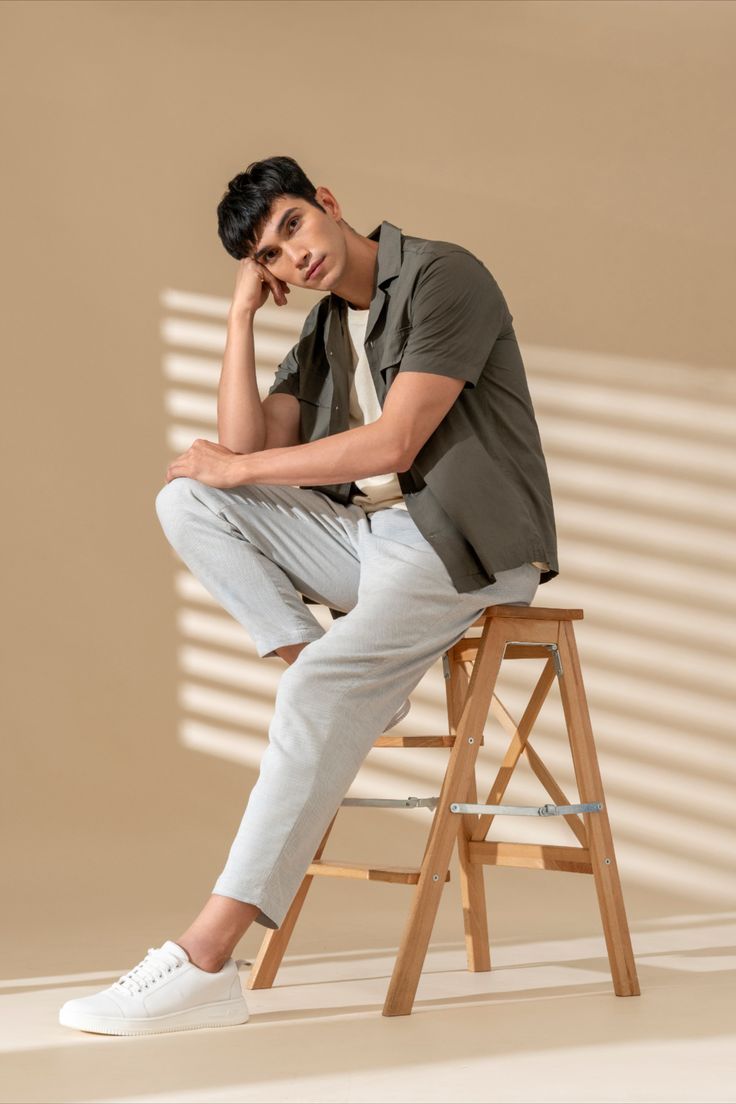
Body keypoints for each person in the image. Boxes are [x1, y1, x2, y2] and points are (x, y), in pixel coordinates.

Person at [59, 155, 558, 1036]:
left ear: (327, 203)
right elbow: (243, 447)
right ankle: (325, 666)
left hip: (464, 543)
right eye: (270, 256)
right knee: (188, 497)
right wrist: (240, 316)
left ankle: (206, 959)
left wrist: (241, 464)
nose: (294, 256)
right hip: (372, 544)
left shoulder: (445, 276)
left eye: (292, 225)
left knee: (317, 685)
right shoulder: (325, 327)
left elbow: (396, 442)